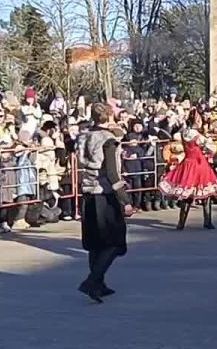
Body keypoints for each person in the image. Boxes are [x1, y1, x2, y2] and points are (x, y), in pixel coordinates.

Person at [76, 102, 135, 303]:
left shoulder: (83, 136)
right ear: (109, 116)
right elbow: (111, 172)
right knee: (114, 241)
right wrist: (125, 200)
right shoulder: (108, 140)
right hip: (104, 194)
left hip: (87, 192)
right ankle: (92, 281)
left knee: (95, 243)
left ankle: (99, 285)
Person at [158, 128, 217, 230]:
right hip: (200, 165)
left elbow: (175, 137)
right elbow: (212, 148)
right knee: (206, 194)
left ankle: (181, 223)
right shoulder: (198, 137)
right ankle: (207, 222)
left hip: (187, 164)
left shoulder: (183, 134)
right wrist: (206, 146)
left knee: (187, 194)